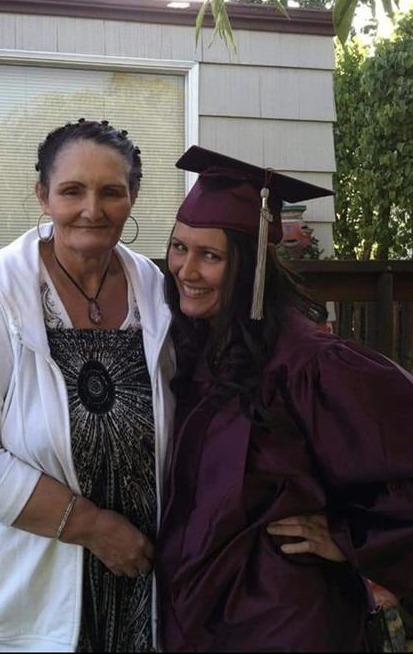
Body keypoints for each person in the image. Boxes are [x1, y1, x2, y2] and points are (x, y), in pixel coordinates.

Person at [0, 119, 176, 653]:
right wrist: (93, 527)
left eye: (111, 192)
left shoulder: (154, 287)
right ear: (43, 195)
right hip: (30, 586)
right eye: (72, 190)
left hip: (141, 580)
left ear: (133, 197)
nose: (91, 210)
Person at [157, 145, 413, 653]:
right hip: (198, 607)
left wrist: (346, 538)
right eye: (179, 247)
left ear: (252, 267)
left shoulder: (311, 363)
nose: (186, 270)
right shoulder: (192, 346)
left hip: (281, 617)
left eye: (211, 256)